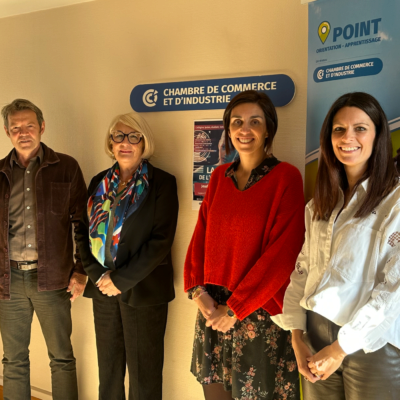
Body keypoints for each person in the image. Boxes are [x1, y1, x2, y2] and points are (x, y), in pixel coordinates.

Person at [271, 92, 400, 400]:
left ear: (378, 136)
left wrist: (341, 348)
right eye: (339, 129)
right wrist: (297, 337)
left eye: (360, 128)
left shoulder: (395, 201)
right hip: (314, 336)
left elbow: (394, 288)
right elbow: (303, 271)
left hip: (371, 342)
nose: (347, 138)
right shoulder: (319, 205)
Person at [184, 90, 305, 400]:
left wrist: (234, 309)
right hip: (212, 309)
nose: (244, 129)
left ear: (268, 130)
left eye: (255, 121)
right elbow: (200, 237)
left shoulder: (286, 177)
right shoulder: (218, 177)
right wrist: (197, 292)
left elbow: (284, 254)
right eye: (237, 122)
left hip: (257, 313)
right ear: (228, 129)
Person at [77, 111, 179, 400]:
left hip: (144, 290)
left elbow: (161, 241)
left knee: (144, 376)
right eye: (119, 136)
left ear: (144, 143)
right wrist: (98, 276)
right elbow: (82, 232)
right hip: (102, 290)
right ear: (110, 143)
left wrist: (120, 280)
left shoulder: (162, 183)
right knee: (108, 371)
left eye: (134, 137)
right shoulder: (98, 182)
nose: (125, 142)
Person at [0, 99, 87, 400]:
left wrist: (81, 271)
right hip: (8, 280)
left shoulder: (66, 167)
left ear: (42, 127)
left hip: (52, 279)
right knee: (13, 360)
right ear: (7, 132)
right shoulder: (0, 172)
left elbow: (83, 223)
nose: (23, 133)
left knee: (61, 358)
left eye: (29, 125)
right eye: (15, 128)